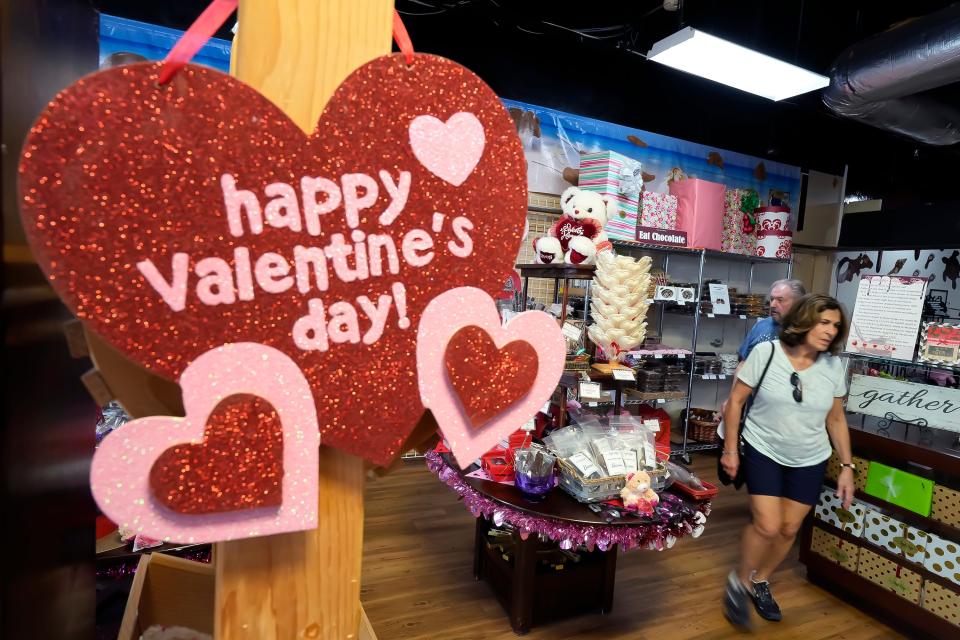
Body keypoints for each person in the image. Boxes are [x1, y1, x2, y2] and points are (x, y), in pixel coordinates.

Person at [721, 294, 856, 628]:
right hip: (763, 447)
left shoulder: (833, 367)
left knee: (789, 528)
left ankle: (759, 580)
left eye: (835, 325)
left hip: (810, 455)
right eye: (824, 321)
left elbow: (836, 419)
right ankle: (738, 582)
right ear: (804, 319)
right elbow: (736, 402)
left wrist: (847, 467)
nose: (830, 330)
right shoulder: (766, 353)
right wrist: (731, 449)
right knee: (767, 524)